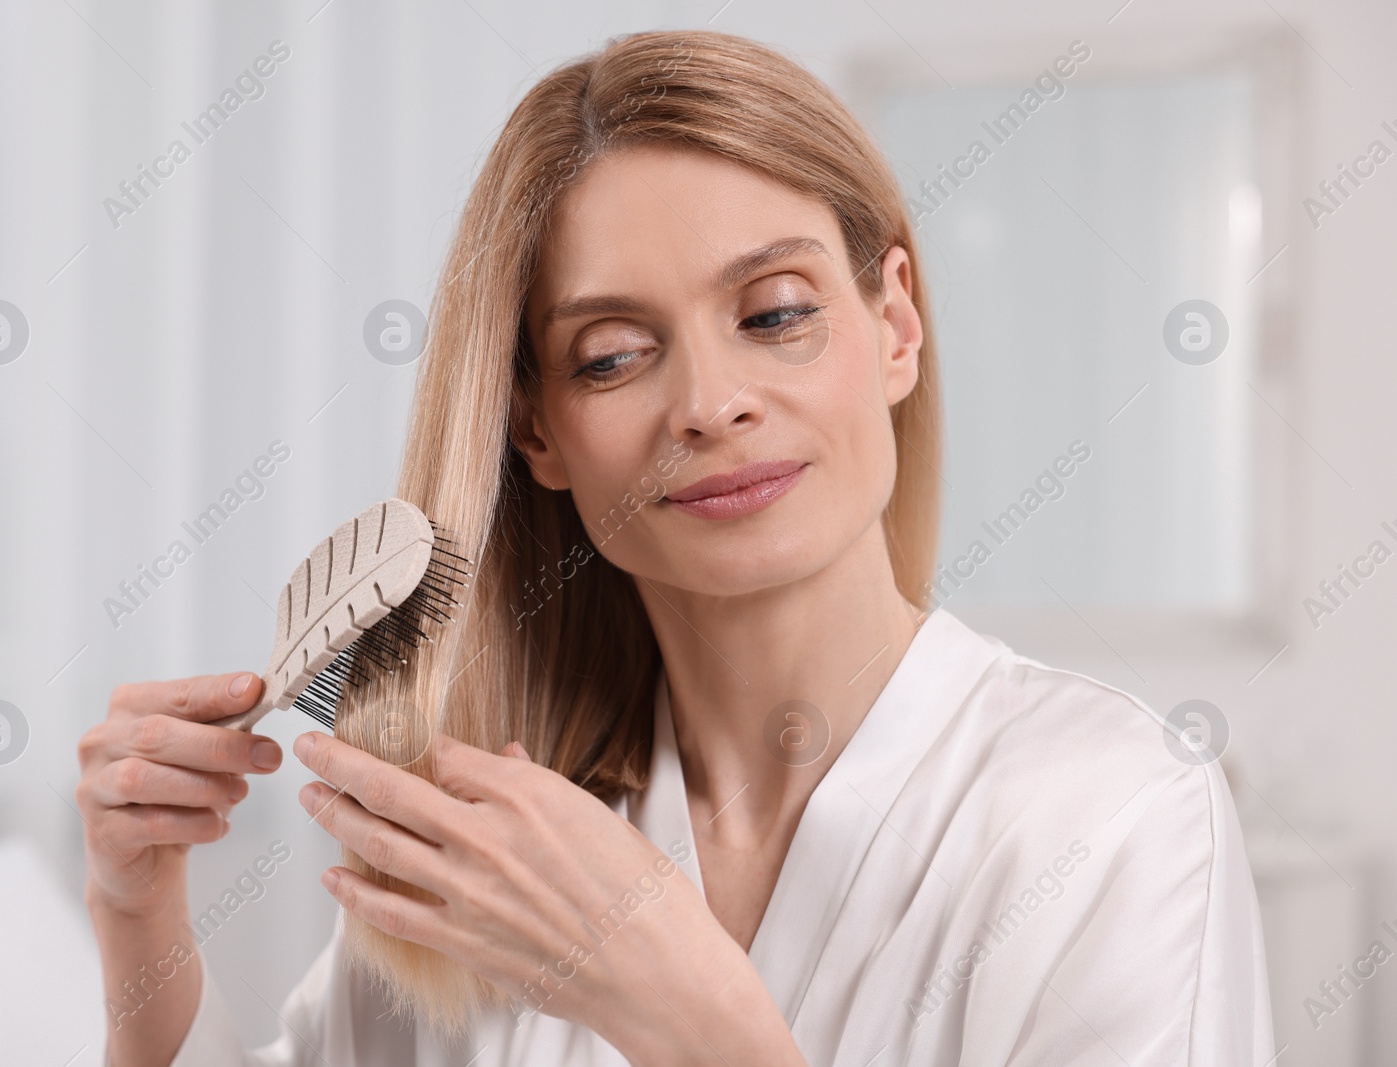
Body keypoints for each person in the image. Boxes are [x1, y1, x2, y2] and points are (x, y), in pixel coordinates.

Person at [75, 29, 1274, 1067]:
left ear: (894, 324)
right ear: (537, 428)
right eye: (611, 354)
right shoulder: (503, 838)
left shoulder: (1108, 812)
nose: (708, 401)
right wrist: (137, 911)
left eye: (775, 314)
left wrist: (691, 1017)